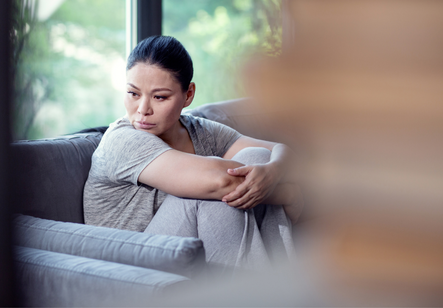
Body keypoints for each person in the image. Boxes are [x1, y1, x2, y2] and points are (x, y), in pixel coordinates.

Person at [83, 35, 303, 273]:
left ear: (188, 95)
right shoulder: (123, 140)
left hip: (178, 254)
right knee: (210, 193)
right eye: (133, 93)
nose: (142, 109)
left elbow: (281, 152)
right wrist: (287, 194)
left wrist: (274, 170)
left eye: (159, 97)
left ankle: (272, 283)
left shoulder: (199, 131)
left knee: (256, 156)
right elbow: (222, 183)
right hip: (127, 267)